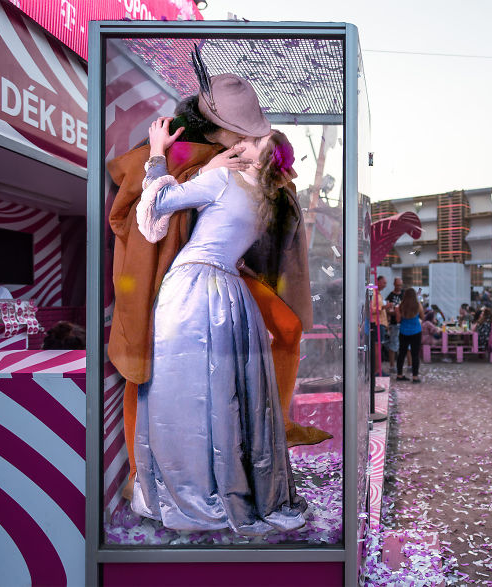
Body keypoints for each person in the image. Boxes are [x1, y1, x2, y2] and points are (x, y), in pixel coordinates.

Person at [107, 67, 327, 502]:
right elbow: (139, 206)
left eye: (253, 134)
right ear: (219, 125)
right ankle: (143, 470)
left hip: (223, 274)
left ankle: (264, 433)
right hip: (175, 275)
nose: (247, 141)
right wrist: (179, 162)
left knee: (278, 334)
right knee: (150, 372)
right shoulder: (191, 151)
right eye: (240, 132)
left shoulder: (238, 164)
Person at [131, 118, 306, 534]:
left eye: (253, 140)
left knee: (181, 394)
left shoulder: (225, 180)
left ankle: (190, 492)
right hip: (230, 293)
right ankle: (226, 487)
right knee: (224, 398)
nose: (243, 142)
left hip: (193, 288)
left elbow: (159, 204)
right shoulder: (264, 199)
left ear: (264, 155)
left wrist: (158, 152)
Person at [396, 287, 424, 383]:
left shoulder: (400, 306)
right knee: (415, 355)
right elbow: (422, 316)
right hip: (416, 331)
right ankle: (415, 377)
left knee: (401, 353)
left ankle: (399, 375)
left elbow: (398, 320)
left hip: (403, 332)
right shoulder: (418, 305)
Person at [370, 275, 389, 376]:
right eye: (384, 283)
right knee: (377, 347)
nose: (385, 285)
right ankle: (377, 370)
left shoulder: (378, 294)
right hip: (376, 323)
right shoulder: (373, 293)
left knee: (379, 347)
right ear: (378, 282)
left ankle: (378, 369)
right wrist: (384, 307)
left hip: (380, 323)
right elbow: (371, 309)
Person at [385, 277, 404, 373]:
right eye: (398, 285)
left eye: (401, 285)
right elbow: (387, 310)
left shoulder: (404, 294)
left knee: (405, 345)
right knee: (393, 344)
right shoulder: (390, 296)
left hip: (404, 323)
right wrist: (396, 312)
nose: (399, 287)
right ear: (394, 284)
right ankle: (392, 366)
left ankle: (408, 365)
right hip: (394, 324)